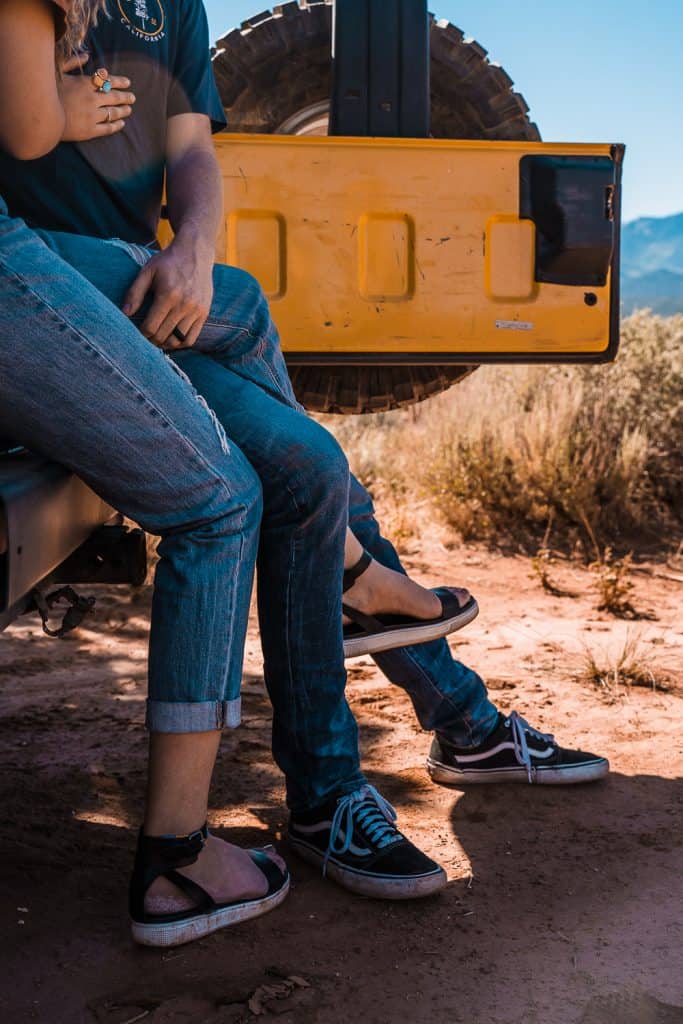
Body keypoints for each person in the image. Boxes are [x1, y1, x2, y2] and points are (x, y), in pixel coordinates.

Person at [0, 0, 608, 927]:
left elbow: (193, 150)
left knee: (303, 451)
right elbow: (26, 125)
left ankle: (367, 765)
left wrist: (196, 247)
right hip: (54, 311)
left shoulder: (173, 6)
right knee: (276, 429)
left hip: (164, 309)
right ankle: (398, 695)